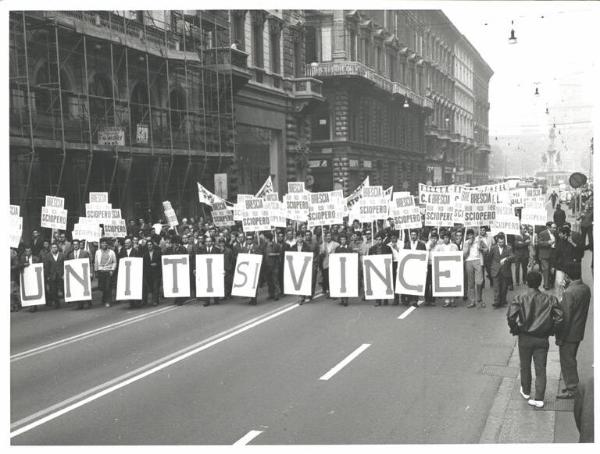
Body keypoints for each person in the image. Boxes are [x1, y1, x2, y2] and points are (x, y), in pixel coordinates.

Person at [507, 270, 563, 408]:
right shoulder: (550, 299)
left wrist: (516, 330)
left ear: (526, 282)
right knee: (541, 368)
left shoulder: (520, 298)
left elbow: (511, 317)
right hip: (542, 338)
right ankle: (539, 398)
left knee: (525, 365)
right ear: (540, 283)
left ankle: (526, 391)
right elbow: (560, 317)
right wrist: (550, 330)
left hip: (525, 337)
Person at [555, 264, 591, 399]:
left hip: (568, 333)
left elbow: (566, 315)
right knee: (571, 358)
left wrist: (560, 337)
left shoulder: (569, 293)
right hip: (578, 331)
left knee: (567, 360)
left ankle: (572, 388)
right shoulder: (585, 289)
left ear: (568, 277)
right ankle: (571, 386)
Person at [489, 233, 514, 308]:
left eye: (502, 242)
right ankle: (496, 302)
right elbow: (489, 258)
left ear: (504, 241)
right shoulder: (493, 248)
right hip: (495, 270)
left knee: (504, 287)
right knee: (496, 287)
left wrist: (506, 258)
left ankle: (503, 301)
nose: (501, 244)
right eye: (499, 242)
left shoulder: (508, 248)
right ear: (497, 241)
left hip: (505, 270)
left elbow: (513, 256)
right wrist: (491, 267)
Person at [463, 228, 486, 308]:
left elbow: (487, 249)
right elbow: (464, 255)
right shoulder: (465, 243)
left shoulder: (479, 240)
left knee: (479, 281)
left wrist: (481, 249)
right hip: (469, 262)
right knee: (471, 283)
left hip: (477, 261)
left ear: (474, 235)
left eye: (471, 234)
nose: (470, 236)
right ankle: (472, 301)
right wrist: (468, 246)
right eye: (469, 235)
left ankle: (479, 299)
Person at [66, 239, 92, 309]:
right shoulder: (70, 254)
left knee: (86, 288)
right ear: (72, 245)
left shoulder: (85, 253)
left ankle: (88, 302)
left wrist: (91, 272)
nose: (75, 246)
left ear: (79, 245)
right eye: (74, 244)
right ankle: (79, 304)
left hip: (84, 273)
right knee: (78, 288)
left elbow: (89, 263)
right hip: (76, 274)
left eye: (77, 244)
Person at [404, 229, 427, 306]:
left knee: (416, 282)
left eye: (414, 235)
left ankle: (415, 300)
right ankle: (409, 299)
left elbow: (424, 255)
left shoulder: (422, 244)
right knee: (409, 282)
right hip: (409, 266)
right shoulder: (407, 244)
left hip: (418, 267)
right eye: (412, 235)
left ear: (417, 235)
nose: (413, 236)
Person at [369, 233, 393, 306]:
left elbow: (391, 257)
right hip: (376, 268)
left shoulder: (387, 248)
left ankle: (385, 300)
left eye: (380, 239)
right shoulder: (372, 248)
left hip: (385, 268)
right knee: (377, 284)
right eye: (377, 240)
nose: (378, 241)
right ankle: (378, 300)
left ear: (382, 240)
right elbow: (369, 258)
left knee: (385, 284)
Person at [17, 245, 42, 312]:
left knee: (34, 289)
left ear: (31, 252)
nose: (28, 252)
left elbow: (39, 265)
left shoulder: (36, 258)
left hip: (34, 277)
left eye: (29, 251)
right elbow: (18, 265)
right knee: (29, 290)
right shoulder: (23, 258)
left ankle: (34, 305)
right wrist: (23, 265)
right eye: (26, 251)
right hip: (27, 277)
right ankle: (32, 305)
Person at [437, 231, 458, 307]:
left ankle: (452, 300)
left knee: (452, 283)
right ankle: (446, 301)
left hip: (452, 267)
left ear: (449, 238)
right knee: (445, 284)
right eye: (444, 237)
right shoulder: (440, 247)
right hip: (444, 268)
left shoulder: (454, 246)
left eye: (447, 237)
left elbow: (457, 256)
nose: (446, 239)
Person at [334, 234, 354, 306]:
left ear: (346, 240)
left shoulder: (349, 248)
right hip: (340, 268)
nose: (343, 241)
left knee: (347, 283)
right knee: (340, 283)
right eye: (341, 239)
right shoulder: (337, 249)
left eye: (344, 239)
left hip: (347, 268)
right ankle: (342, 299)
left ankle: (346, 300)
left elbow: (351, 257)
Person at [44, 243, 65, 309]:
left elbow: (65, 265)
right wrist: (47, 276)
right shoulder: (48, 256)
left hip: (61, 275)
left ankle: (69, 300)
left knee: (63, 288)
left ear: (57, 248)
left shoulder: (62, 255)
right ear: (51, 248)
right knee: (53, 290)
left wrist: (64, 274)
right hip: (52, 275)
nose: (54, 248)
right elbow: (46, 267)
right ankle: (57, 303)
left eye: (55, 247)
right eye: (53, 247)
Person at [537, 222, 557, 290]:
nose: (555, 229)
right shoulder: (542, 233)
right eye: (553, 228)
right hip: (544, 254)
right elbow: (539, 243)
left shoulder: (556, 233)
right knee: (546, 269)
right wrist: (548, 242)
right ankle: (546, 285)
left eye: (555, 228)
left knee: (552, 270)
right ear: (549, 227)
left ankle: (551, 283)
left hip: (553, 254)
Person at [262, 231, 281, 301]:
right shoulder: (264, 245)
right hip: (267, 266)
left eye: (264, 238)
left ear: (268, 238)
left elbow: (279, 254)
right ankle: (271, 294)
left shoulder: (276, 245)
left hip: (274, 265)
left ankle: (277, 294)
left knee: (275, 280)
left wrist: (273, 254)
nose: (264, 239)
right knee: (269, 281)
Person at [319, 231, 339, 299]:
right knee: (327, 279)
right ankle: (330, 291)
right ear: (325, 237)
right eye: (327, 236)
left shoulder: (336, 244)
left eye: (329, 235)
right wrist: (322, 253)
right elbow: (320, 256)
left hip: (334, 264)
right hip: (326, 264)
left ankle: (335, 293)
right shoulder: (322, 245)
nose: (328, 237)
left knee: (334, 278)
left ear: (331, 236)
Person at [388, 234, 401, 305]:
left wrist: (396, 248)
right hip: (392, 263)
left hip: (400, 262)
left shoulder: (401, 243)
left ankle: (403, 298)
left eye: (394, 237)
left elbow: (403, 252)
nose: (393, 239)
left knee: (401, 280)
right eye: (392, 238)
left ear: (397, 238)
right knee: (394, 281)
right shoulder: (388, 245)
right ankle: (396, 299)